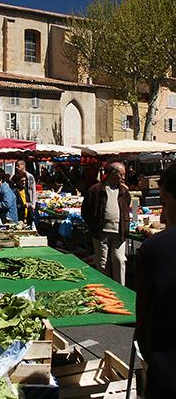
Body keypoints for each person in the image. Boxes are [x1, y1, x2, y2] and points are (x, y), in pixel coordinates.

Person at [136, 163, 176, 397]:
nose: (161, 214)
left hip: (168, 375)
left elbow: (144, 321)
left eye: (164, 202)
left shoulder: (157, 249)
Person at [81, 162, 130, 285]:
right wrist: (94, 225)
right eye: (121, 174)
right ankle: (106, 288)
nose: (123, 177)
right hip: (101, 232)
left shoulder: (124, 191)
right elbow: (85, 211)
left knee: (119, 260)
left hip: (119, 232)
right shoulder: (95, 190)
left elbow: (126, 207)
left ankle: (121, 288)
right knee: (103, 263)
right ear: (113, 174)